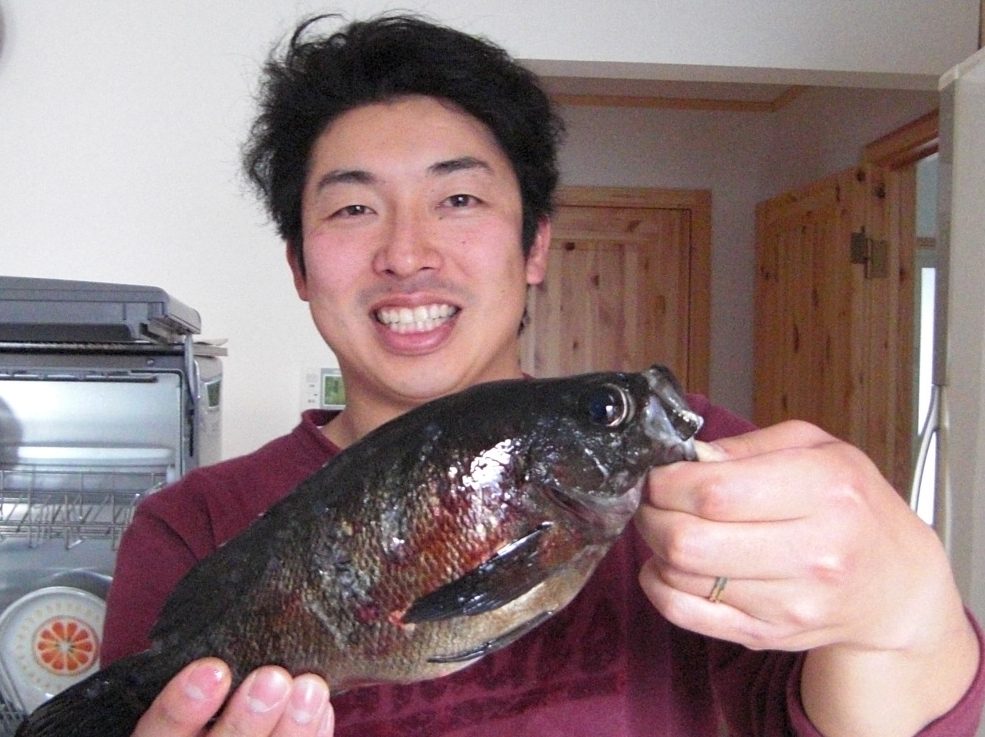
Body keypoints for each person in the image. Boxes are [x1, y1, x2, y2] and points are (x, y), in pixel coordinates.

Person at [99, 13, 984, 737]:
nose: (407, 253)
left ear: (533, 247)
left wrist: (904, 616)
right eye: (354, 206)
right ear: (299, 264)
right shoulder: (189, 526)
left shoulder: (704, 479)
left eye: (458, 198)